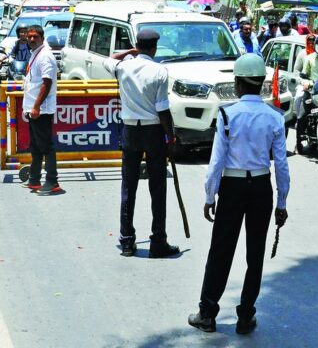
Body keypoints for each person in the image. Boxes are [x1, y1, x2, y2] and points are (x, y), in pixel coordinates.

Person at [188, 54, 290, 334]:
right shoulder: (274, 117)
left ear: (238, 84)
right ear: (260, 84)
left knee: (221, 250)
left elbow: (217, 161)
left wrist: (210, 196)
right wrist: (281, 202)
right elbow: (280, 164)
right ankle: (246, 315)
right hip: (260, 188)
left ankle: (207, 312)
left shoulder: (226, 114)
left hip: (231, 188)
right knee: (254, 253)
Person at [103, 29, 179, 258]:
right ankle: (158, 240)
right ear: (154, 47)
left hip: (130, 131)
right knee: (158, 187)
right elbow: (162, 109)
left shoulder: (123, 67)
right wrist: (171, 136)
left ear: (138, 45)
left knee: (129, 186)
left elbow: (110, 60)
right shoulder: (159, 71)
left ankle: (126, 240)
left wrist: (128, 52)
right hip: (153, 130)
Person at [20, 25, 62, 196]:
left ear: (42, 37)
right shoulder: (35, 54)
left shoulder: (45, 56)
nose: (31, 39)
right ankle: (34, 179)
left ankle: (52, 181)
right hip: (33, 108)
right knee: (36, 146)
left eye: (35, 36)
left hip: (41, 109)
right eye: (29, 37)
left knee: (46, 147)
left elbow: (47, 83)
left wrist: (36, 106)